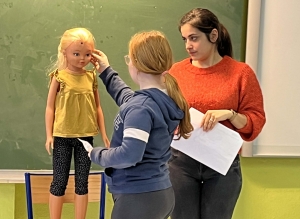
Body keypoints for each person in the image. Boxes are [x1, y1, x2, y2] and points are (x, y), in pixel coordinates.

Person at [168, 8, 266, 219]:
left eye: (193, 38)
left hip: (222, 163)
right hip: (181, 162)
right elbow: (163, 113)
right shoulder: (176, 72)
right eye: (185, 39)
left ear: (213, 36)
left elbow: (255, 121)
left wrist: (230, 114)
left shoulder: (241, 73)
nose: (188, 46)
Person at [88, 30, 193, 219]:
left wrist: (96, 154)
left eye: (129, 59)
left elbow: (129, 155)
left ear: (135, 65)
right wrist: (106, 71)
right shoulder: (159, 99)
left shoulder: (141, 108)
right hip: (158, 194)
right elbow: (127, 97)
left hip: (138, 197)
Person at [45, 27, 110, 219]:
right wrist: (49, 134)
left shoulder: (91, 77)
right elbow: (50, 107)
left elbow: (98, 107)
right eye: (76, 53)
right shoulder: (59, 77)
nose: (82, 59)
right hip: (62, 136)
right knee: (59, 181)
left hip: (85, 137)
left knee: (82, 182)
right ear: (64, 52)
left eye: (87, 54)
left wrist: (104, 133)